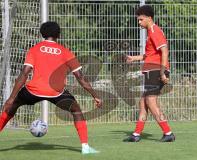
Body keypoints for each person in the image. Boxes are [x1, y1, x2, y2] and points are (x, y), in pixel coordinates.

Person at [0, 21, 102, 154]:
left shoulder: (34, 49)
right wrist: (95, 96)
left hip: (33, 90)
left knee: (12, 107)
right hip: (56, 92)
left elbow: (24, 74)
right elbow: (80, 77)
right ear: (58, 35)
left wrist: (11, 98)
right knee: (76, 110)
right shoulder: (66, 52)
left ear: (42, 34)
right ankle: (85, 147)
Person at [124, 5, 175, 142]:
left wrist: (163, 72)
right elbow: (150, 55)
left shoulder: (155, 30)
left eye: (141, 20)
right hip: (151, 70)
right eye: (138, 20)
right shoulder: (151, 32)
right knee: (143, 102)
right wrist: (134, 58)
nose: (139, 22)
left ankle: (168, 132)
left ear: (149, 18)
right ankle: (136, 135)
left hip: (156, 70)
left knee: (150, 100)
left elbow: (165, 51)